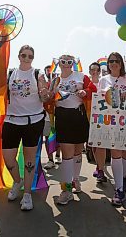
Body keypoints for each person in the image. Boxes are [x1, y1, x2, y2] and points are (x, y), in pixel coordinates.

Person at [3, 45, 49, 211]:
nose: (26, 59)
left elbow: (45, 96)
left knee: (29, 158)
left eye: (30, 56)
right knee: (8, 158)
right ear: (19, 56)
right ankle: (17, 181)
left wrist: (45, 93)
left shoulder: (37, 74)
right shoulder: (10, 73)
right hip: (11, 119)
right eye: (24, 55)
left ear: (33, 58)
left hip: (33, 120)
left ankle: (27, 194)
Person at [51, 54, 96, 205]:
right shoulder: (56, 79)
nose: (66, 64)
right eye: (63, 61)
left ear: (73, 64)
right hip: (63, 116)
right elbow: (50, 96)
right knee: (67, 154)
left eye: (69, 62)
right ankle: (66, 190)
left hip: (78, 114)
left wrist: (85, 92)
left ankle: (75, 180)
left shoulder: (80, 76)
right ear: (59, 63)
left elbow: (92, 88)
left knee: (77, 151)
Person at [98, 53, 126, 206]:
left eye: (117, 61)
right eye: (111, 61)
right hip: (112, 122)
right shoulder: (103, 80)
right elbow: (99, 101)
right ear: (108, 64)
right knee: (116, 152)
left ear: (121, 63)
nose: (113, 63)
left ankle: (125, 179)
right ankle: (119, 190)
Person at [88, 62, 105, 179]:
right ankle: (98, 166)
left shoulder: (103, 83)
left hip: (102, 118)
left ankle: (101, 170)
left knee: (101, 145)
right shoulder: (86, 83)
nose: (94, 72)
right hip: (88, 118)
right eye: (92, 70)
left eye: (96, 70)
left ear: (100, 72)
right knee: (93, 146)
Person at [43, 65, 61, 170]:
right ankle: (50, 159)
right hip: (47, 115)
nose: (50, 73)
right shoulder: (44, 84)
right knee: (48, 137)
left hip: (58, 114)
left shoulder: (59, 83)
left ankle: (58, 155)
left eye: (52, 71)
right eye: (48, 72)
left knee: (59, 136)